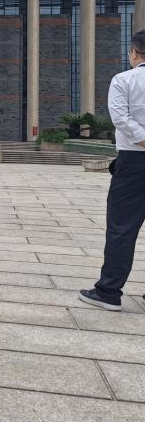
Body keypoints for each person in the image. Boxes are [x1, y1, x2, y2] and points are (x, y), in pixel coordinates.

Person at [80, 29, 145, 311]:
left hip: (133, 161)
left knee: (122, 228)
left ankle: (109, 291)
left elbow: (120, 118)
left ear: (134, 52)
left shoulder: (123, 79)